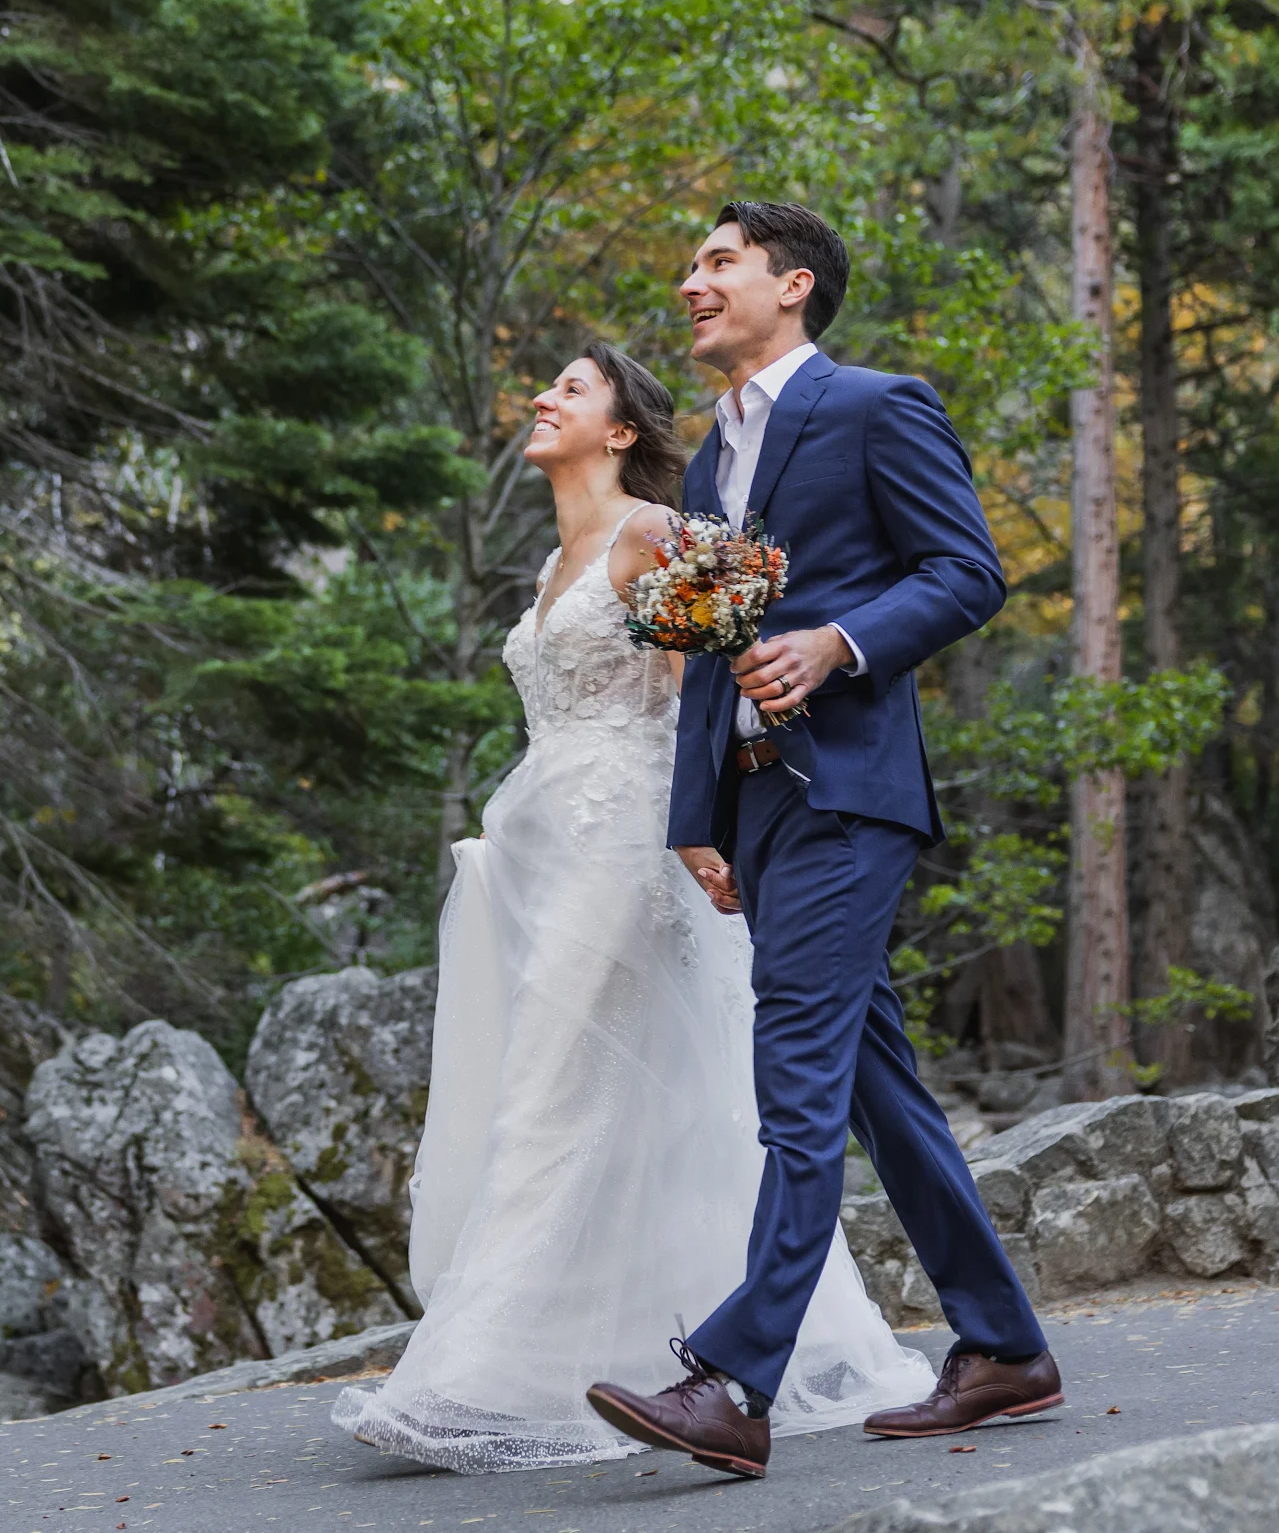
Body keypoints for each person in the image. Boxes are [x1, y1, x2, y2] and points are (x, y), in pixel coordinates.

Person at [330, 341, 930, 1475]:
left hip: (625, 843)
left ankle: (457, 1381)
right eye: (546, 382)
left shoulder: (651, 531)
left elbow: (723, 669)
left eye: (571, 387)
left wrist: (708, 824)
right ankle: (587, 1354)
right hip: (543, 844)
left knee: (553, 1090)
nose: (544, 397)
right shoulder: (550, 560)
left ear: (618, 431)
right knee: (614, 1096)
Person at [584, 202, 1061, 1481]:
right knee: (870, 1085)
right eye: (689, 263)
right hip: (762, 801)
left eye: (718, 261)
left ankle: (738, 1376)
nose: (692, 281)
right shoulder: (708, 465)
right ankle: (1005, 1346)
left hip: (851, 788)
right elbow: (700, 648)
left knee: (791, 1065)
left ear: (793, 284)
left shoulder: (873, 404)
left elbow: (967, 570)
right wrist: (703, 818)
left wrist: (841, 641)